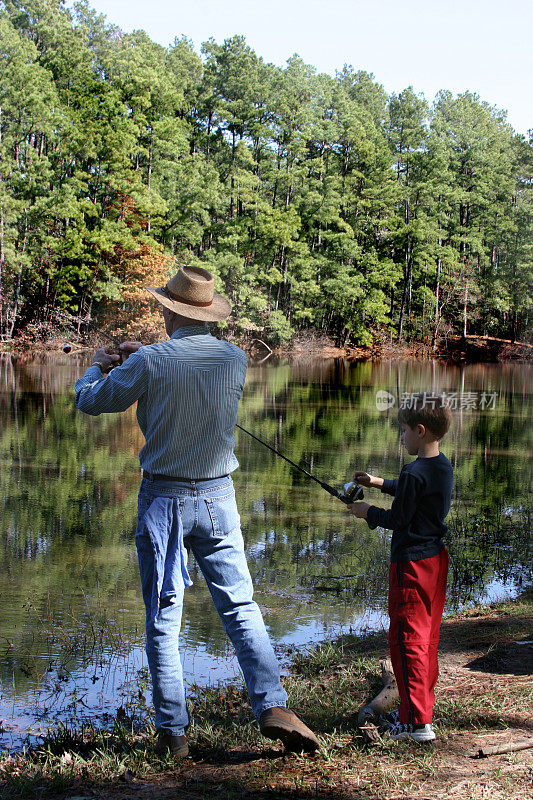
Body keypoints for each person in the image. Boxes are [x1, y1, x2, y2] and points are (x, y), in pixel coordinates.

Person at [74, 265, 319, 756]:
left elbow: (94, 402)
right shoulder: (234, 359)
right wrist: (139, 361)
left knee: (164, 617)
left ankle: (174, 734)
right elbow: (180, 371)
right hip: (219, 498)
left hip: (164, 499)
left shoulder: (150, 361)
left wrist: (98, 366)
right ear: (207, 312)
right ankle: (272, 705)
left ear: (169, 310)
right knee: (241, 605)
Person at [348, 394, 453, 742]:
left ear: (420, 431)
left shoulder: (414, 472)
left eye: (404, 430)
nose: (401, 436)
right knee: (426, 638)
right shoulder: (441, 466)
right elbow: (411, 492)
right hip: (435, 561)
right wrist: (378, 483)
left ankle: (415, 724)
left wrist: (368, 513)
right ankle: (416, 711)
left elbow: (398, 517)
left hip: (410, 566)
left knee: (406, 639)